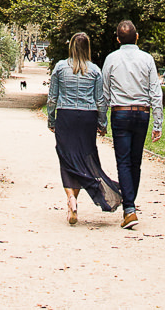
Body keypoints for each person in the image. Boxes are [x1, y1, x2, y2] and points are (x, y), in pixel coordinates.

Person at [47, 32, 121, 224]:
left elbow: (53, 97)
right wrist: (102, 123)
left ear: (71, 46)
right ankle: (79, 196)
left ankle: (71, 199)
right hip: (87, 117)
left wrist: (51, 119)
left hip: (66, 116)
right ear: (88, 48)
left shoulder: (60, 68)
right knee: (85, 157)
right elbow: (100, 101)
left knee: (66, 158)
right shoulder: (95, 71)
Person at [100, 20, 164, 230]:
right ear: (137, 37)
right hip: (142, 114)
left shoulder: (111, 59)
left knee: (124, 162)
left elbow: (105, 93)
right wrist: (158, 122)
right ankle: (130, 205)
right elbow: (155, 91)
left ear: (118, 39)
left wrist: (102, 119)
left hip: (120, 113)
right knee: (135, 161)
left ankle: (129, 208)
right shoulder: (146, 59)